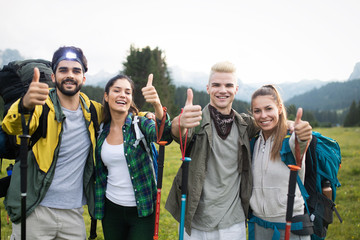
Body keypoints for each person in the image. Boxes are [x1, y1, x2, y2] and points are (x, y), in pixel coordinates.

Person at [2, 46, 102, 239]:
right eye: (63, 70)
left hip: (74, 214)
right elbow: (12, 126)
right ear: (54, 76)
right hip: (35, 210)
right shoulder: (41, 105)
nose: (70, 75)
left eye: (76, 71)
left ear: (84, 78)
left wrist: (147, 114)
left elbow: (119, 113)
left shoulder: (93, 111)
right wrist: (24, 104)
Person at [165, 61, 258, 240]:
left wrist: (290, 124)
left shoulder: (245, 125)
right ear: (208, 88)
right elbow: (179, 132)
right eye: (216, 85)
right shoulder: (195, 120)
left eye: (228, 85)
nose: (222, 90)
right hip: (194, 220)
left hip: (232, 221)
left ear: (236, 89)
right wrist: (180, 122)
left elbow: (269, 122)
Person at [94, 74, 172, 240]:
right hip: (111, 210)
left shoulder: (141, 124)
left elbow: (163, 136)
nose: (123, 95)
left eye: (127, 92)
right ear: (106, 96)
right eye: (117, 90)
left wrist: (157, 105)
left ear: (131, 99)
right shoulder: (101, 130)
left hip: (142, 210)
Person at [248, 85, 313, 240]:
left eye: (268, 109)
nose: (263, 115)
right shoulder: (254, 141)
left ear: (279, 108)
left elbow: (300, 142)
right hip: (258, 225)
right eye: (257, 111)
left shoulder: (288, 140)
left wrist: (302, 134)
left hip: (290, 226)